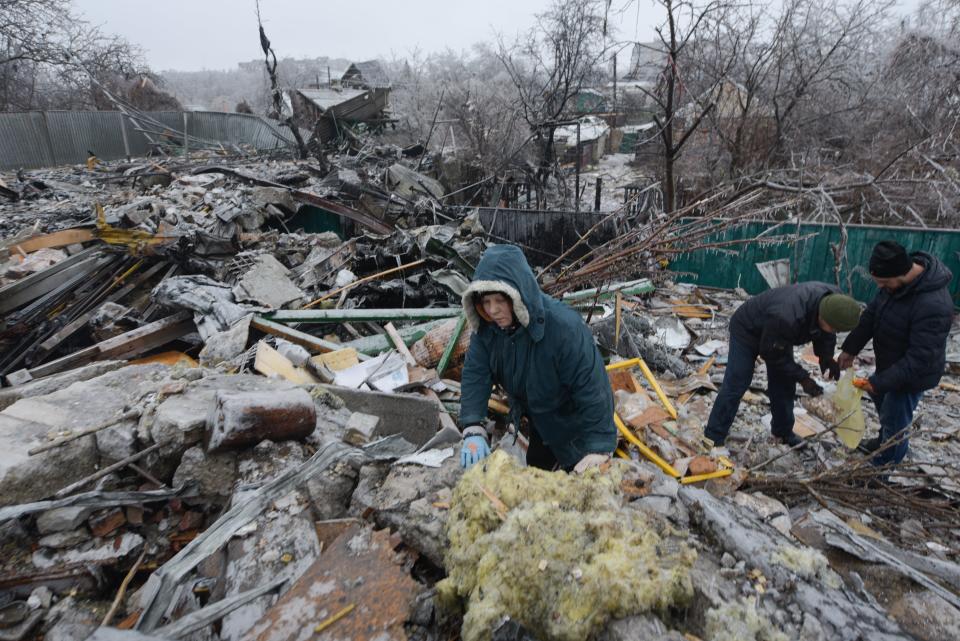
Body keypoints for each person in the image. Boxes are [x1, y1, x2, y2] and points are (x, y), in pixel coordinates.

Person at [458, 245, 616, 473]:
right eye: (486, 302)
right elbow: (475, 374)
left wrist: (599, 447)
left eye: (499, 300)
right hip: (540, 421)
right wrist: (473, 426)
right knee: (539, 479)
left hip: (575, 424)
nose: (492, 310)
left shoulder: (563, 328)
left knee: (580, 488)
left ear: (517, 294)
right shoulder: (488, 331)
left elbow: (592, 387)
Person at [838, 240, 954, 465]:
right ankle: (883, 440)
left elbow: (919, 359)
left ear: (900, 274)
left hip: (911, 377)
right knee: (884, 408)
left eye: (883, 282)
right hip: (890, 365)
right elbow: (871, 316)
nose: (880, 287)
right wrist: (849, 349)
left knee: (895, 423)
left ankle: (883, 469)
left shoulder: (934, 305)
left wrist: (879, 382)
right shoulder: (894, 287)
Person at [704, 282, 861, 447]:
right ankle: (713, 436)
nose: (834, 332)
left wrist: (826, 357)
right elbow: (771, 353)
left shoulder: (836, 302)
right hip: (748, 329)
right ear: (822, 316)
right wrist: (803, 377)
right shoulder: (788, 316)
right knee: (737, 382)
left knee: (784, 385)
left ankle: (783, 432)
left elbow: (826, 333)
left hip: (778, 334)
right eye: (834, 328)